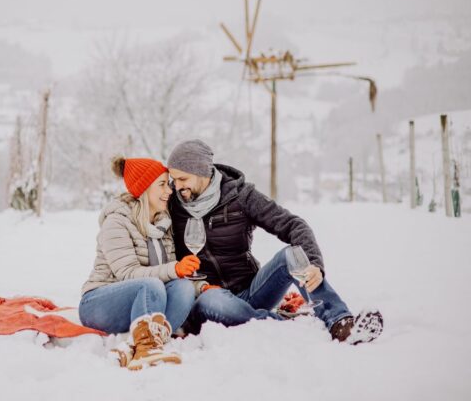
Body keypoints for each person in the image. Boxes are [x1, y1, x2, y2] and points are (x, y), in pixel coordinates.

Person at [166, 139, 384, 345]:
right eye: (173, 180)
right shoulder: (173, 206)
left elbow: (293, 225)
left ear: (202, 172)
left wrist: (314, 265)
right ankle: (281, 324)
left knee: (291, 255)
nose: (177, 186)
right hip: (208, 298)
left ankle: (340, 323)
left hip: (250, 291)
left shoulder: (240, 196)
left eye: (183, 179)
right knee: (212, 299)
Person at [79, 156, 204, 370]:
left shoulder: (163, 223)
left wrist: (199, 286)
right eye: (162, 184)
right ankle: (147, 347)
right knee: (151, 284)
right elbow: (128, 273)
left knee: (183, 287)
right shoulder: (117, 221)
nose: (169, 191)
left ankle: (134, 345)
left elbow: (173, 275)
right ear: (145, 188)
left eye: (169, 184)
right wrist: (174, 269)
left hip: (143, 303)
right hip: (99, 303)